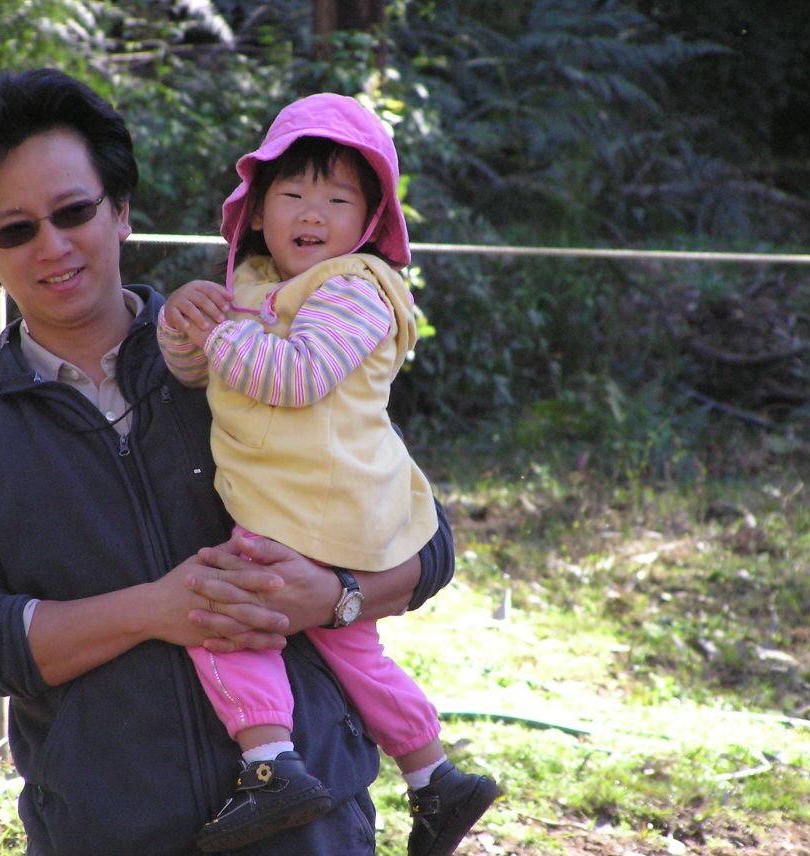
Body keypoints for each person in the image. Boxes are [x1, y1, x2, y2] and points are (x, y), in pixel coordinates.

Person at [0, 68, 457, 856]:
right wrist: (154, 609)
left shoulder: (254, 354)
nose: (54, 246)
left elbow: (429, 546)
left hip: (314, 832)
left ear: (121, 210)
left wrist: (335, 596)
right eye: (16, 230)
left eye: (74, 212)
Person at [157, 93, 500, 856]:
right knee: (355, 651)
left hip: (312, 505)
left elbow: (298, 375)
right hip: (305, 505)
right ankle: (436, 778)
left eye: (338, 199)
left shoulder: (356, 288)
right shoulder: (251, 283)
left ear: (368, 221)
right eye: (292, 194)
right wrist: (183, 321)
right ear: (257, 210)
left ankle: (271, 765)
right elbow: (192, 372)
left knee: (228, 621)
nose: (313, 212)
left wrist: (220, 336)